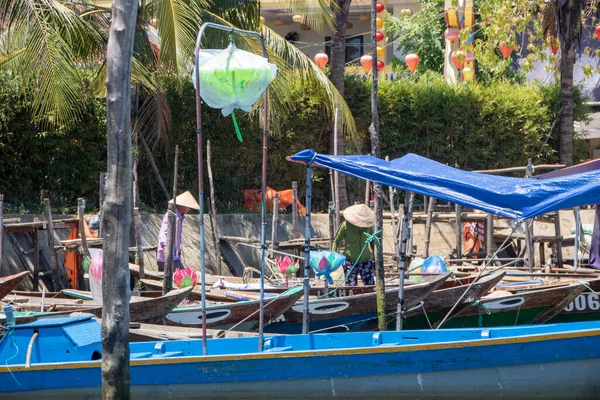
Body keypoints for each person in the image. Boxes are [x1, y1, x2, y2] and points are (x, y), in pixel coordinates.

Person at [332, 204, 375, 286]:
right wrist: (334, 255)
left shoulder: (368, 227)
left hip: (365, 260)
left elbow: (373, 242)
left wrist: (376, 257)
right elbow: (336, 241)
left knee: (370, 285)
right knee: (351, 286)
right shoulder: (345, 225)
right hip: (350, 260)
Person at [157, 191, 200, 272]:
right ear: (182, 206)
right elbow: (163, 233)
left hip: (174, 256)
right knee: (183, 278)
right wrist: (165, 247)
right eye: (188, 207)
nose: (189, 209)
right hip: (167, 256)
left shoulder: (179, 218)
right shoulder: (170, 216)